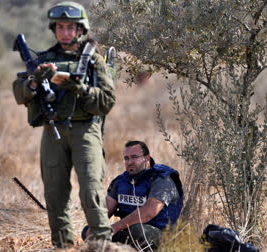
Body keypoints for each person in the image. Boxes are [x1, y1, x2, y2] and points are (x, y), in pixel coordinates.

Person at [12, 1, 115, 248]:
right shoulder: (44, 60)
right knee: (55, 195)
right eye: (60, 27)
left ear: (80, 30)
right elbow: (19, 94)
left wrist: (79, 88)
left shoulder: (93, 60)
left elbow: (107, 101)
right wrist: (35, 82)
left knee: (91, 192)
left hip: (85, 130)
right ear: (54, 29)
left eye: (70, 27)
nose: (65, 32)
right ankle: (63, 245)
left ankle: (101, 245)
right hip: (53, 131)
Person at [82, 140, 184, 250]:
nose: (130, 162)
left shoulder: (162, 180)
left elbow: (148, 213)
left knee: (138, 231)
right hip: (129, 232)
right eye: (126, 158)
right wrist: (96, 228)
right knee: (89, 230)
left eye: (134, 157)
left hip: (161, 236)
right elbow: (104, 212)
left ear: (147, 158)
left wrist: (115, 227)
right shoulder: (121, 182)